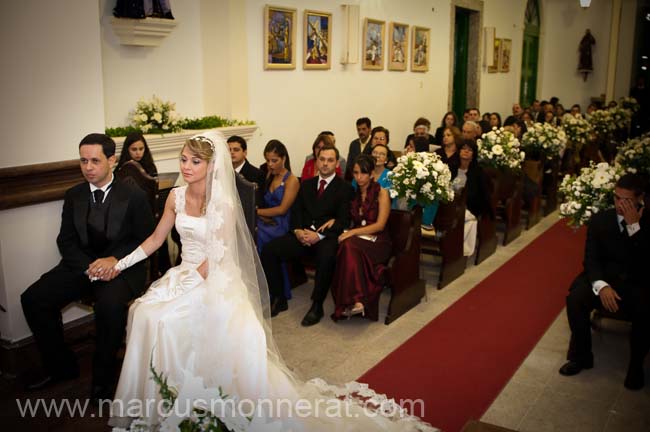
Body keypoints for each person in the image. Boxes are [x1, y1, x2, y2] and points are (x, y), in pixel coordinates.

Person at [108, 132, 434, 430]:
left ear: (212, 166)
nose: (187, 167)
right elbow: (154, 240)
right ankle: (155, 403)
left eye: (196, 161)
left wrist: (183, 287)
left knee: (164, 318)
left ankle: (184, 399)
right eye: (183, 160)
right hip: (186, 272)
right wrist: (118, 264)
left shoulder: (222, 204)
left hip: (213, 277)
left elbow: (217, 257)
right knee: (142, 311)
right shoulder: (175, 197)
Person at [21, 133, 154, 401]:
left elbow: (145, 240)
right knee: (33, 298)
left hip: (123, 267)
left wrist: (115, 261)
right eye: (83, 160)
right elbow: (66, 241)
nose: (88, 167)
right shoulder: (74, 195)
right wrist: (89, 268)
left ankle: (102, 383)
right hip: (82, 266)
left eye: (95, 160)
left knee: (109, 307)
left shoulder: (135, 196)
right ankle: (62, 367)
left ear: (112, 160)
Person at [559, 174, 649, 390]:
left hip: (636, 282)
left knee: (645, 309)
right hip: (604, 279)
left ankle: (636, 366)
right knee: (575, 299)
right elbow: (591, 258)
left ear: (640, 199)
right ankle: (581, 356)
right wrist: (602, 286)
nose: (620, 204)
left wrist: (635, 228)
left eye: (626, 200)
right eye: (617, 198)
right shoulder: (601, 220)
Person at [262, 144, 353, 326]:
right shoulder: (307, 184)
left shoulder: (344, 188)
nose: (325, 164)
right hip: (301, 235)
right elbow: (296, 212)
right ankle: (279, 297)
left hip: (325, 238)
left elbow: (343, 220)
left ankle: (317, 305)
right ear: (316, 161)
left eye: (330, 160)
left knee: (326, 257)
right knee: (269, 250)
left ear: (336, 163)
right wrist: (297, 231)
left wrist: (318, 236)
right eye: (322, 159)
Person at [330, 155, 392, 321]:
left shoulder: (382, 193)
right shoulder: (354, 194)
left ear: (371, 174)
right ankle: (357, 302)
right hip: (359, 241)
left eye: (363, 173)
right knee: (347, 246)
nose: (359, 177)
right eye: (356, 173)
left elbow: (380, 225)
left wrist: (351, 233)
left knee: (348, 244)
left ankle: (351, 301)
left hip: (378, 241)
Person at [256, 139, 299, 300]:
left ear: (284, 159)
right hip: (266, 219)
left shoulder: (291, 180)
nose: (270, 164)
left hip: (282, 223)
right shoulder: (269, 175)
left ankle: (272, 289)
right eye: (268, 160)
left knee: (258, 235)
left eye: (274, 160)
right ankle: (259, 284)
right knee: (247, 231)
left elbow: (282, 210)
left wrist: (258, 212)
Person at [451, 139, 493, 256]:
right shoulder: (451, 168)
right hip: (450, 204)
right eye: (463, 149)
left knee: (466, 219)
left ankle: (459, 249)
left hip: (469, 206)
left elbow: (481, 195)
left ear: (473, 154)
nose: (466, 152)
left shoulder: (478, 172)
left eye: (469, 150)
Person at [227, 135, 265, 204]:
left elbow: (258, 201)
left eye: (236, 150)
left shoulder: (257, 174)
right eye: (229, 150)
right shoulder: (223, 172)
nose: (232, 152)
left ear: (245, 153)